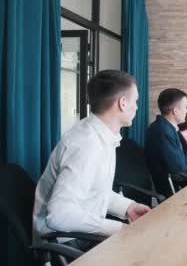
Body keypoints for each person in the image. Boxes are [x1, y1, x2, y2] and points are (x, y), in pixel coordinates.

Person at [33, 70, 150, 251]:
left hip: (80, 233)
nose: (136, 107)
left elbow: (96, 191)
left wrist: (129, 207)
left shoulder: (101, 135)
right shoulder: (86, 145)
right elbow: (59, 215)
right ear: (123, 103)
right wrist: (118, 228)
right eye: (135, 101)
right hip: (66, 243)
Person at [145, 89, 187, 196]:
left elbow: (181, 166)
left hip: (180, 187)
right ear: (175, 111)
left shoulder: (168, 128)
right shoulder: (162, 131)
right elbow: (180, 173)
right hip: (173, 194)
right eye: (185, 107)